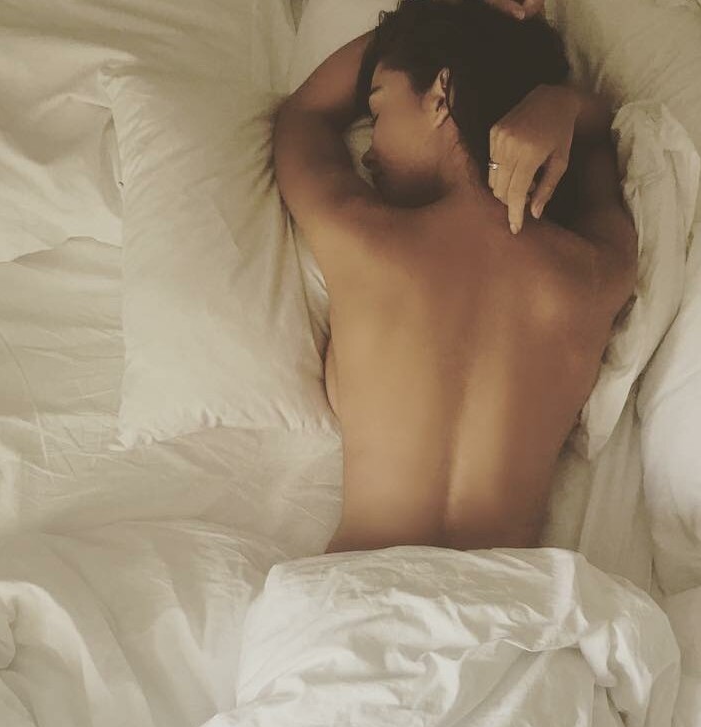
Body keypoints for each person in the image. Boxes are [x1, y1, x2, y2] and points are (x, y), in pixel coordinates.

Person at [271, 0, 638, 553]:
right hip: (519, 596)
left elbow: (305, 113)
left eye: (378, 109)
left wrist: (437, 17)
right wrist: (563, 105)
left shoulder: (361, 238)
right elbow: (599, 137)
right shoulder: (593, 271)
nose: (369, 153)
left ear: (441, 94)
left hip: (364, 587)